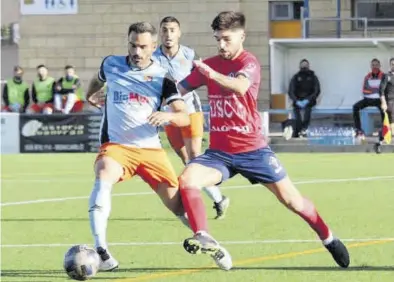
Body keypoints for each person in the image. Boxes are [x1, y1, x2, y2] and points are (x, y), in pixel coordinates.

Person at [176, 11, 350, 271]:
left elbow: (240, 87)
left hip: (254, 151)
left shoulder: (249, 63)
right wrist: (162, 98)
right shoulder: (209, 65)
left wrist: (209, 75)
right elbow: (178, 90)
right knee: (187, 179)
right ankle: (203, 234)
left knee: (294, 202)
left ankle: (328, 236)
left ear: (241, 36)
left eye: (226, 39)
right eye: (217, 39)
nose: (221, 45)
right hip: (220, 154)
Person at [85, 22, 191, 272]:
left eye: (143, 46)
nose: (137, 51)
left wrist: (168, 117)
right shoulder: (110, 64)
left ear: (153, 47)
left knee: (178, 206)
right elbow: (95, 80)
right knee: (103, 172)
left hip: (150, 151)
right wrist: (90, 94)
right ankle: (101, 248)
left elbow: (184, 116)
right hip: (117, 147)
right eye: (133, 45)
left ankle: (207, 238)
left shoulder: (162, 76)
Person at [153, 16, 230, 219]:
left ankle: (198, 201)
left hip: (191, 111)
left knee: (195, 155)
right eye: (165, 30)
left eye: (172, 30)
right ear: (160, 33)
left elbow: (203, 75)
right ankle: (219, 198)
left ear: (179, 33)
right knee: (185, 158)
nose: (168, 34)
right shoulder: (152, 57)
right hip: (170, 115)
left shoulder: (189, 54)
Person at [353, 58, 386, 143]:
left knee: (385, 110)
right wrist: (376, 90)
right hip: (368, 99)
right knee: (355, 107)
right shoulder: (367, 76)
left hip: (379, 99)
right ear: (371, 66)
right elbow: (364, 90)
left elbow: (383, 90)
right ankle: (358, 129)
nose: (374, 67)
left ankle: (384, 131)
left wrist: (373, 89)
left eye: (376, 65)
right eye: (373, 65)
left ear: (379, 66)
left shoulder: (383, 76)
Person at [288, 59, 321, 138]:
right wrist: (296, 100)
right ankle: (299, 130)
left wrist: (308, 100)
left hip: (309, 101)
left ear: (308, 66)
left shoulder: (313, 77)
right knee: (296, 112)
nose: (304, 66)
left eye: (306, 64)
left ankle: (304, 128)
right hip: (298, 100)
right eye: (303, 64)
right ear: (299, 66)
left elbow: (317, 90)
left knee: (307, 111)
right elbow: (291, 91)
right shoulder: (295, 77)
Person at [377, 57, 394, 152]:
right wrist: (383, 103)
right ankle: (381, 144)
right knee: (390, 125)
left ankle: (379, 143)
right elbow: (381, 91)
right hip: (390, 102)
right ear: (390, 65)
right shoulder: (386, 76)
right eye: (392, 64)